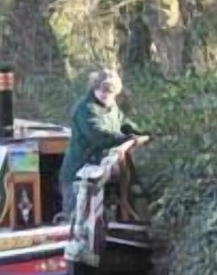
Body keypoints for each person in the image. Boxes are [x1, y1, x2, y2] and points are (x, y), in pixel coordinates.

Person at [57, 68, 149, 219]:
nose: (107, 95)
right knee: (75, 220)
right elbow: (98, 136)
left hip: (100, 173)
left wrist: (139, 131)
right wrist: (125, 138)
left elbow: (123, 123)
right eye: (103, 90)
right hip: (77, 175)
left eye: (111, 92)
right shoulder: (84, 109)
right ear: (95, 88)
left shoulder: (112, 106)